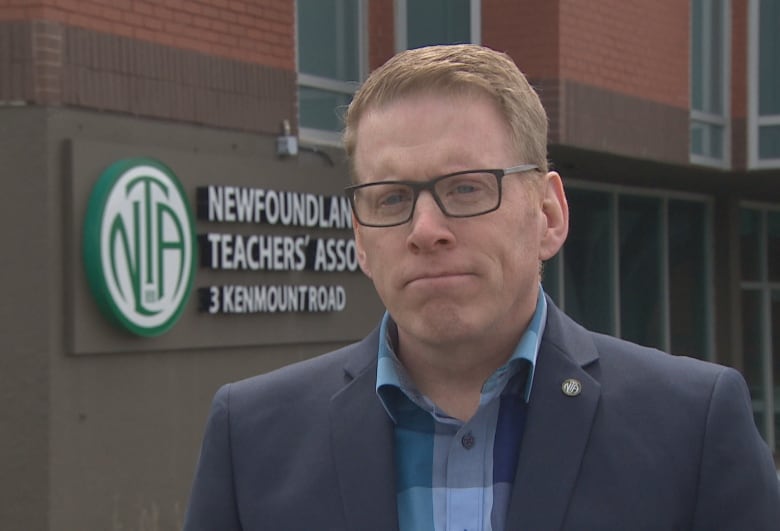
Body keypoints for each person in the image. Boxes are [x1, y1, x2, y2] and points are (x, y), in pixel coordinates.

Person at [183, 44, 779, 530]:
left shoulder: (692, 426)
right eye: (391, 197)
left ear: (548, 213)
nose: (424, 230)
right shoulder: (252, 437)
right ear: (361, 240)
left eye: (466, 187)